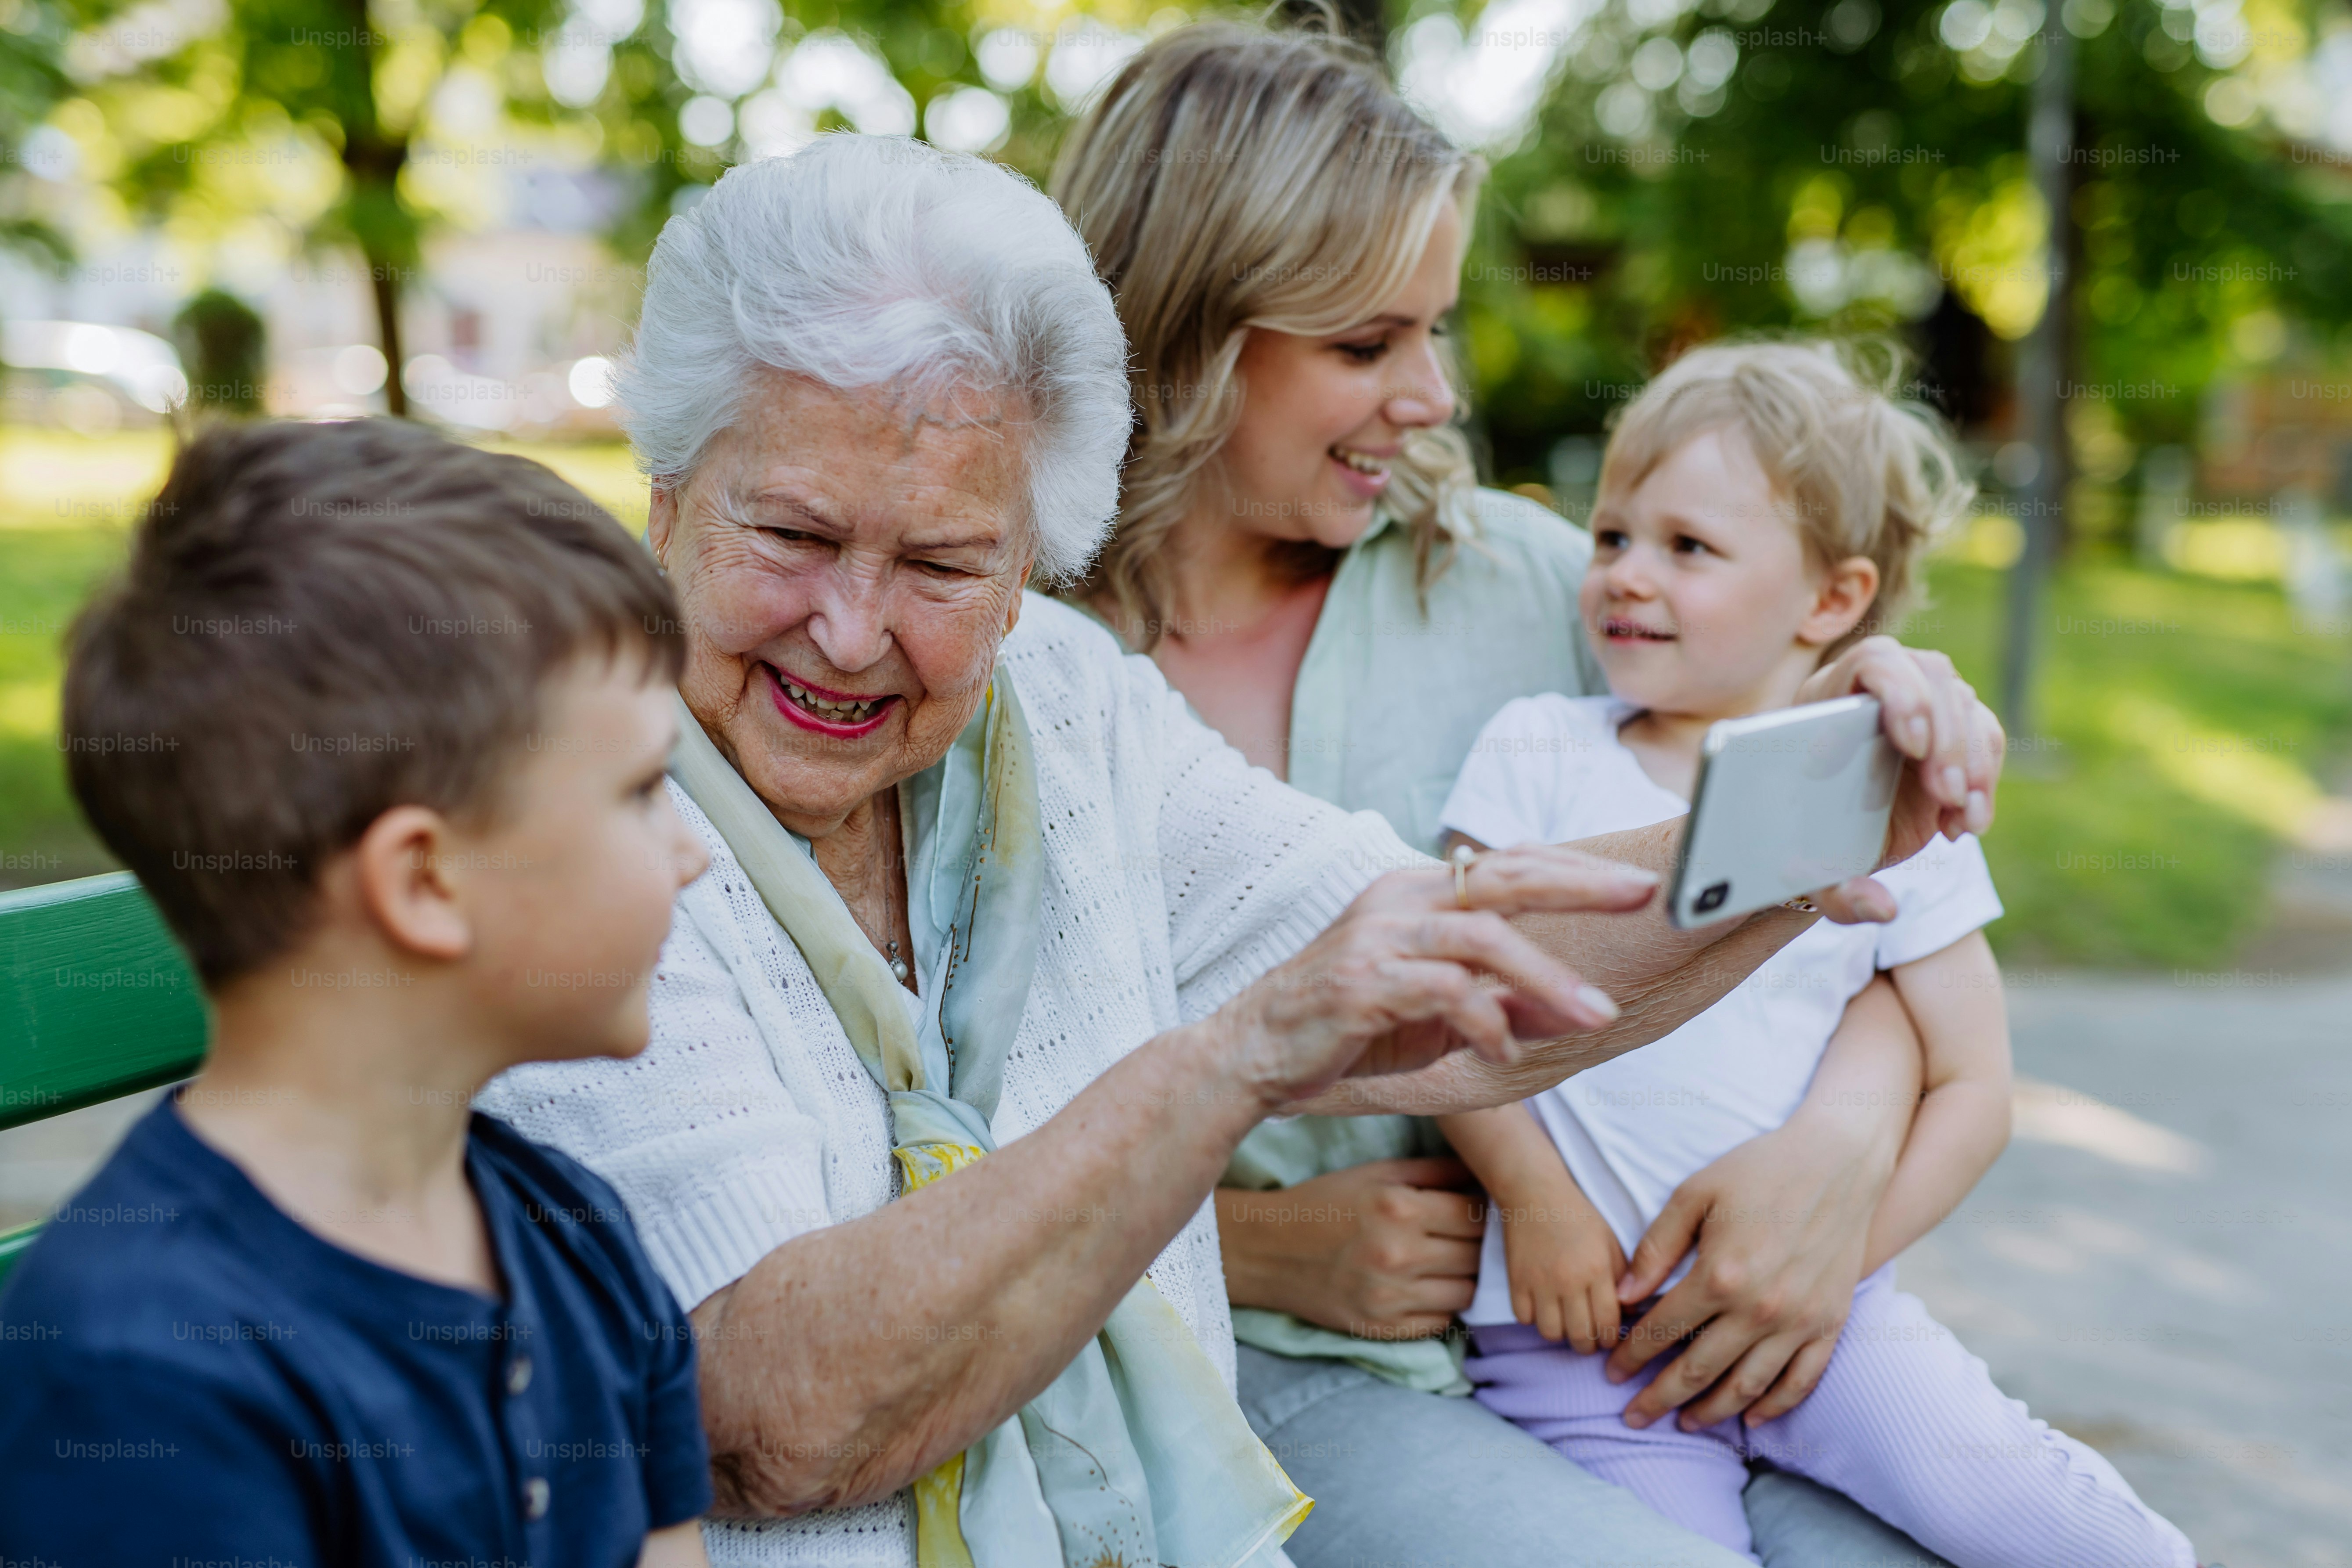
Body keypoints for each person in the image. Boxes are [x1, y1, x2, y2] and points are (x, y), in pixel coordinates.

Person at [471, 134, 2004, 1568]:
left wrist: (1823, 816)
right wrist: (1225, 1066)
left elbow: (1441, 963)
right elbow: (773, 1416)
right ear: (667, 500)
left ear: (1024, 578)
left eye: (941, 562)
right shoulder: (562, 807)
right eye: (791, 537)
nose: (853, 629)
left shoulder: (1056, 701)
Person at [1052, 21, 1965, 1564]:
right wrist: (1253, 1247)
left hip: (1609, 1344)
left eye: (1436, 330)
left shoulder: (1530, 583)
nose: (1432, 395)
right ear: (1188, 328)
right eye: (1364, 344)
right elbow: (900, 1144)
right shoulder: (1020, 664)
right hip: (1255, 1371)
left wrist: (1846, 1145)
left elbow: (1854, 892)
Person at [1437, 341, 2197, 1566]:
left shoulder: (1887, 797)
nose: (1628, 575)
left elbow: (1972, 1086)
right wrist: (1533, 1195)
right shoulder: (1534, 749)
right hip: (1579, 1346)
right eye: (1612, 535)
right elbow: (1456, 989)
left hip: (1820, 1326)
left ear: (1830, 601)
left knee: (2044, 1522)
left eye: (1688, 547)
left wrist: (1835, 1264)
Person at [0, 419, 716, 1567]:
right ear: (424, 881)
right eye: (641, 789)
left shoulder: (572, 1233)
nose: (693, 851)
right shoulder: (145, 1376)